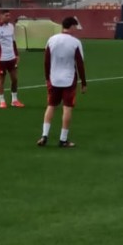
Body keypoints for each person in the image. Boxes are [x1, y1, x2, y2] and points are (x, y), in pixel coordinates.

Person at [37, 16, 87, 148]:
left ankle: (44, 135)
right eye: (75, 26)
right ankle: (63, 139)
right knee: (67, 108)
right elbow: (80, 64)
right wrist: (84, 83)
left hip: (54, 79)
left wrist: (47, 77)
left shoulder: (51, 40)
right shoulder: (75, 42)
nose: (76, 29)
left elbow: (46, 61)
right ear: (71, 26)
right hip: (69, 79)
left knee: (51, 106)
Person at [0, 10, 24, 108]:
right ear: (1, 16)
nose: (9, 17)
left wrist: (16, 54)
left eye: (9, 15)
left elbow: (13, 42)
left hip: (11, 57)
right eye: (6, 15)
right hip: (1, 59)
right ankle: (2, 100)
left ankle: (14, 100)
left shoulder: (11, 27)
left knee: (15, 79)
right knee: (1, 79)